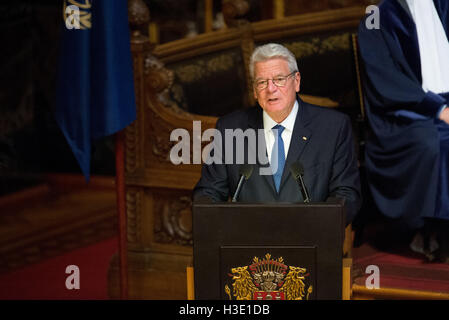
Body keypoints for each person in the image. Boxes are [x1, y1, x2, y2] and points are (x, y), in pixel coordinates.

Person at [193, 43, 361, 225]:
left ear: (296, 81)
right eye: (262, 82)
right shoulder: (230, 128)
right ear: (255, 91)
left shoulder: (333, 127)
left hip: (309, 242)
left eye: (279, 79)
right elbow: (208, 193)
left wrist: (320, 227)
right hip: (248, 244)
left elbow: (346, 194)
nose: (271, 89)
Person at [358, 0, 449, 261]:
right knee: (434, 142)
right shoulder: (376, 18)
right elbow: (386, 82)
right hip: (406, 112)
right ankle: (435, 233)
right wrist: (439, 109)